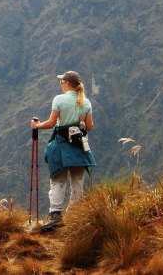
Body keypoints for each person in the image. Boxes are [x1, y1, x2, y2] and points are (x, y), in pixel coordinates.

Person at [30, 70, 96, 229]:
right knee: (77, 183)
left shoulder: (59, 99)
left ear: (66, 83)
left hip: (61, 145)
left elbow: (51, 123)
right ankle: (75, 217)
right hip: (79, 146)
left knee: (58, 181)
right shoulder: (86, 102)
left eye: (61, 82)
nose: (61, 84)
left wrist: (37, 125)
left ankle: (55, 217)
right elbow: (89, 126)